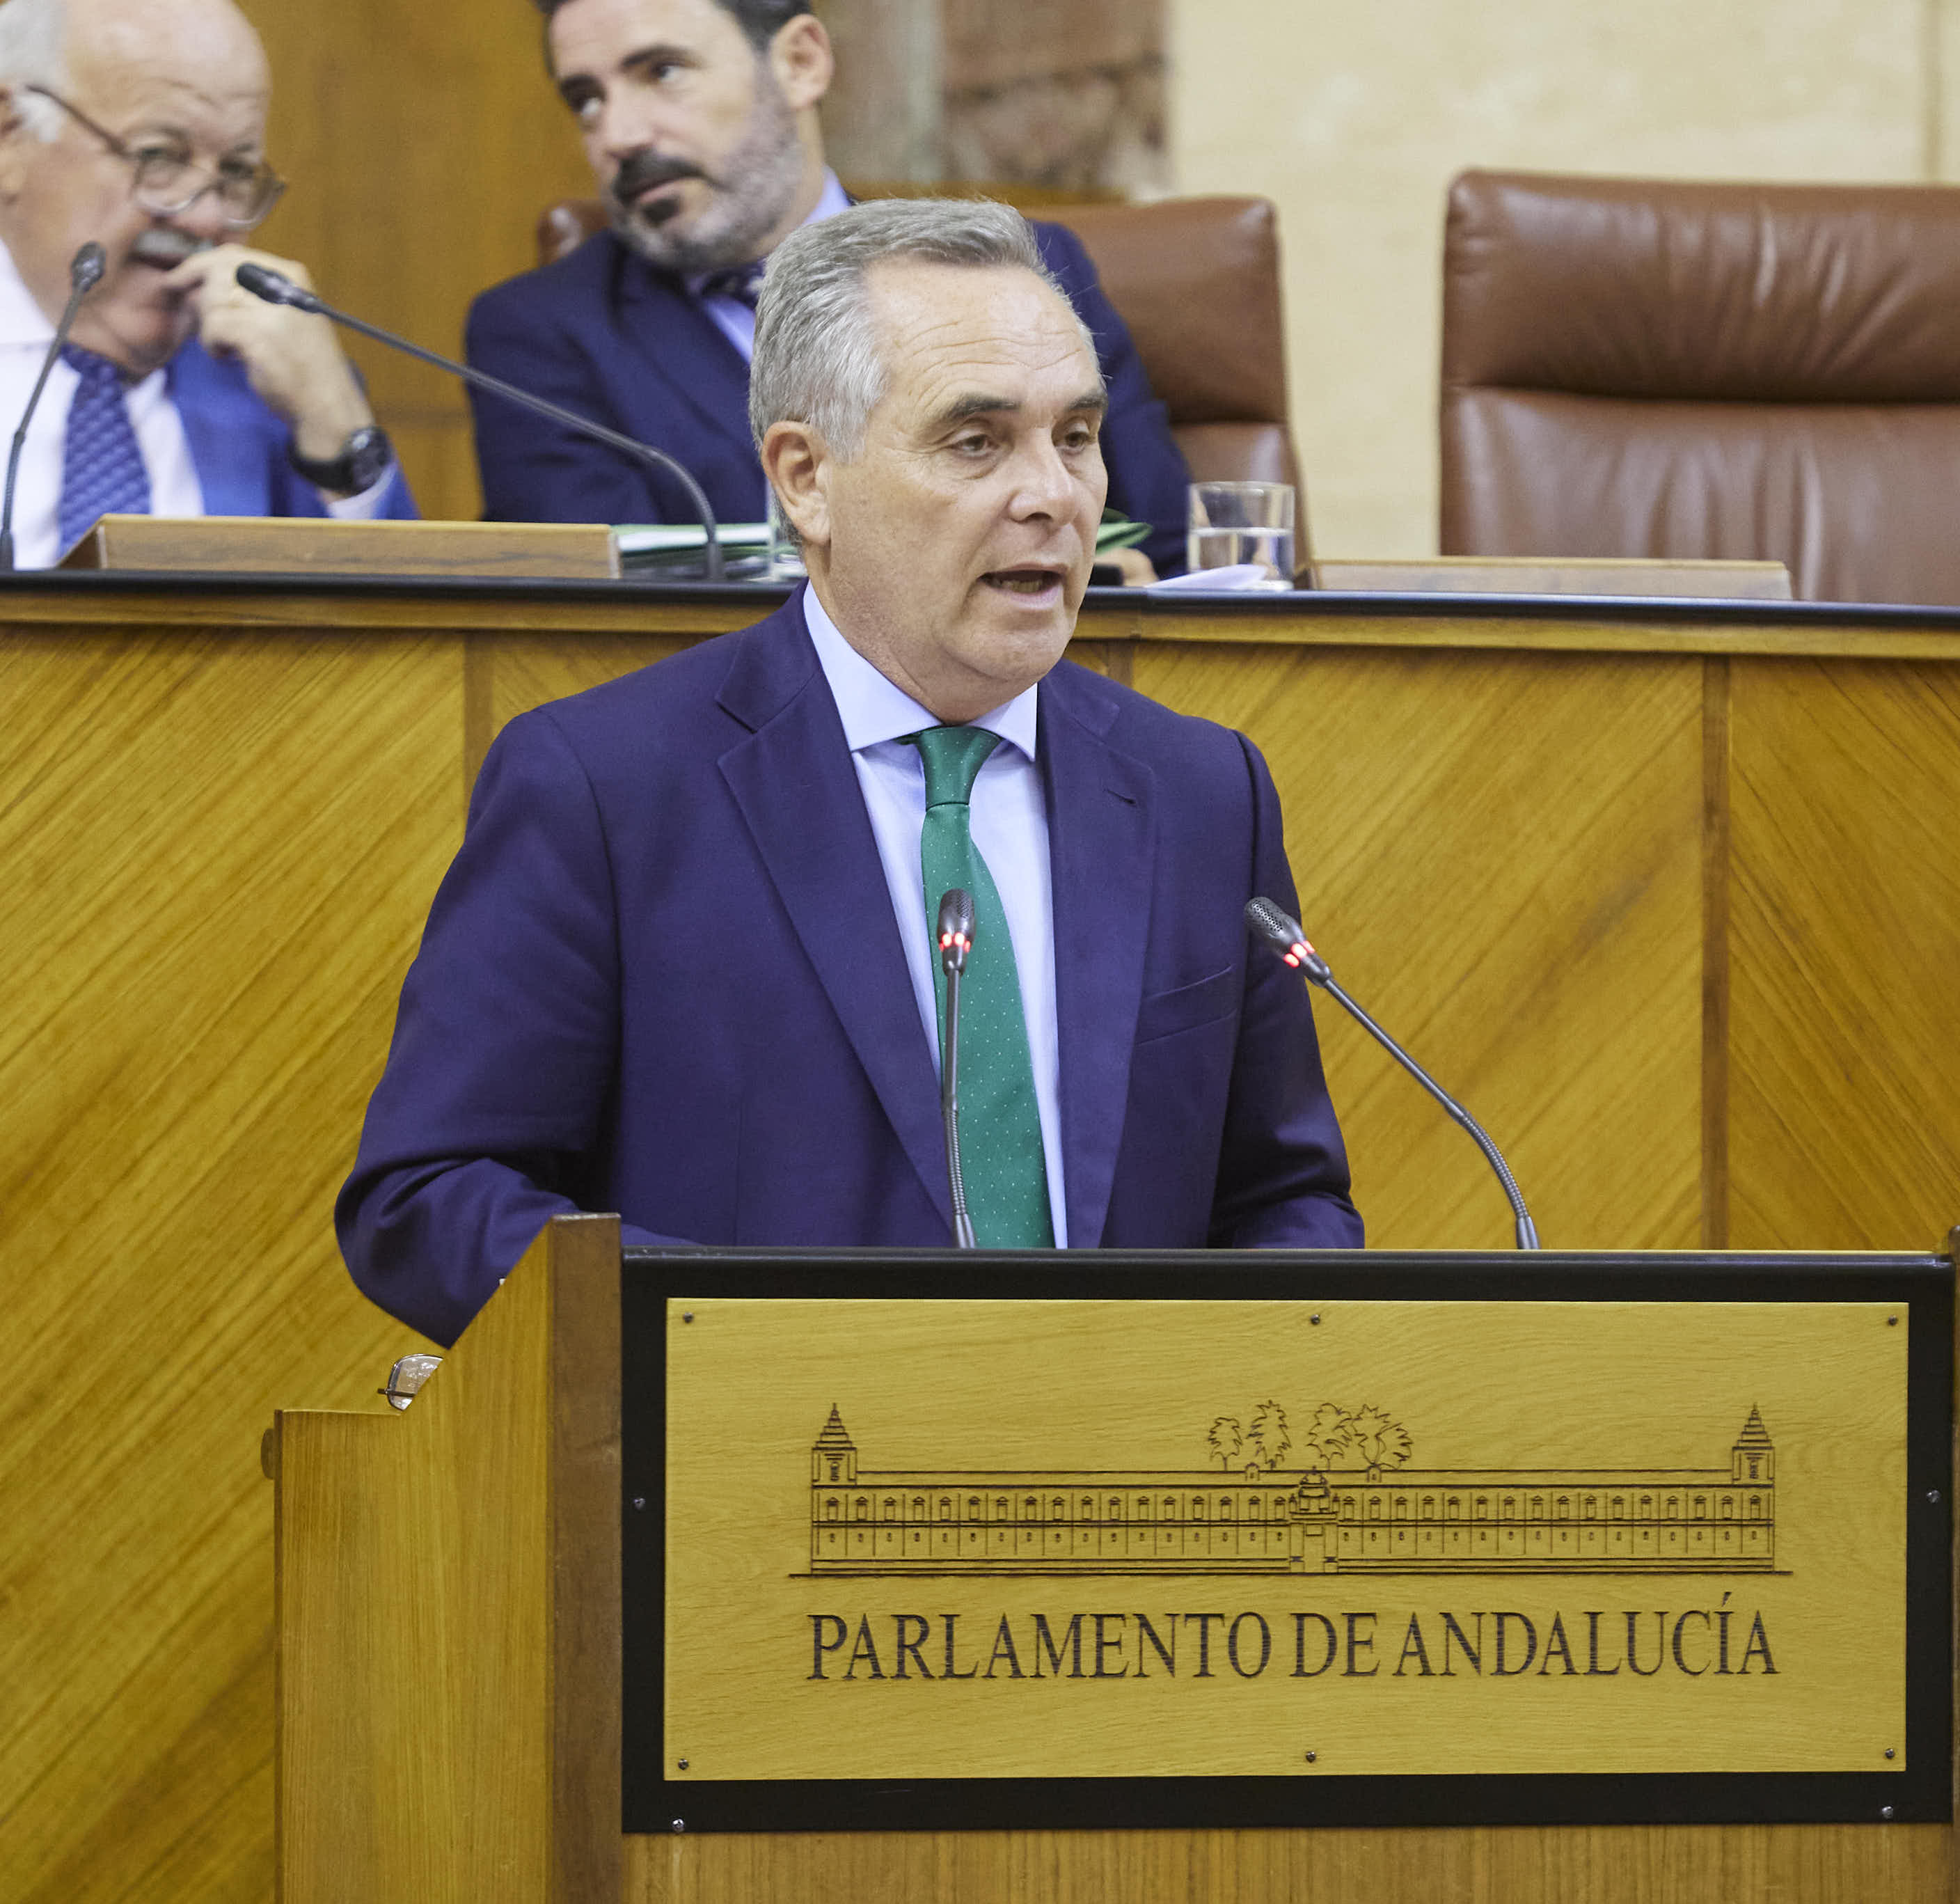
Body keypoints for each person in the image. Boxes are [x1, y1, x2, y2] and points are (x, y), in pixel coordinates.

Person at [342, 198, 1359, 1348]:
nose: (1055, 498)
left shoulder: (1200, 791)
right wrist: (734, 1342)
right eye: (976, 443)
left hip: (1113, 1488)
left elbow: (1285, 1200)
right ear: (804, 479)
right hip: (751, 1484)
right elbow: (427, 1202)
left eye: (1074, 437)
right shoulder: (606, 788)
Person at [464, 0, 1191, 575]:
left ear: (800, 62)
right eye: (586, 99)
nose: (618, 134)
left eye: (661, 72)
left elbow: (1164, 550)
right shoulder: (538, 333)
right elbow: (600, 622)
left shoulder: (1017, 272)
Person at [0, 0, 411, 567]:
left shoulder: (272, 386)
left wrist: (340, 431)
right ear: (10, 136)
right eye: (160, 157)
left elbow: (407, 644)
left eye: (237, 173)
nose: (206, 220)